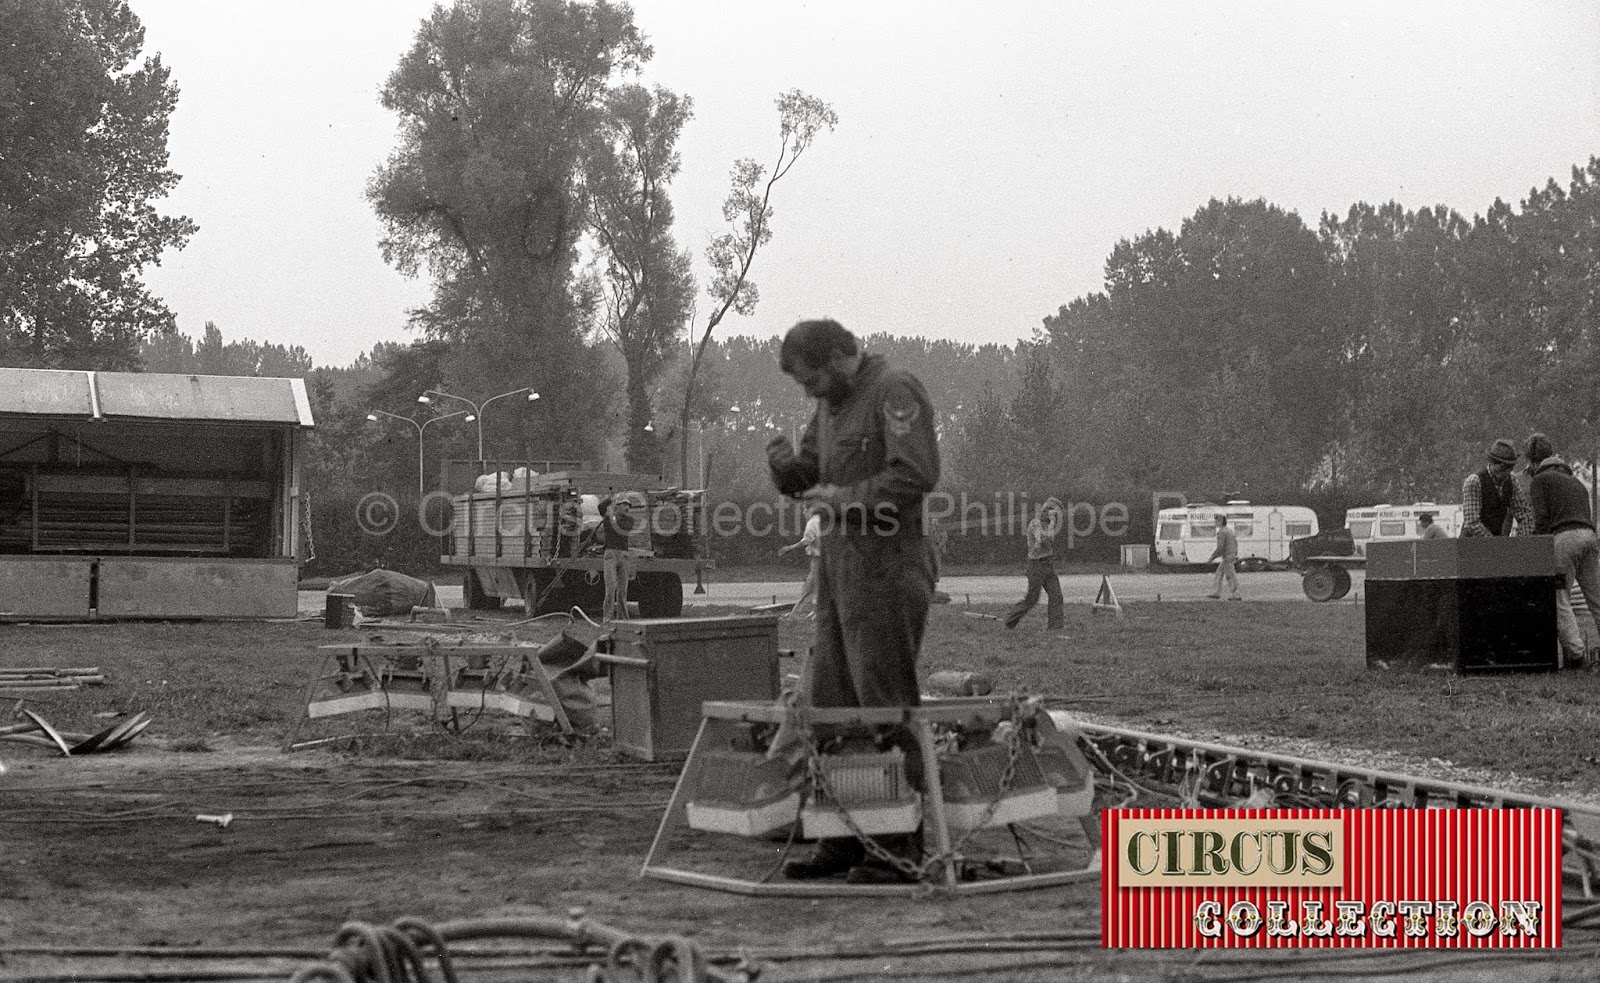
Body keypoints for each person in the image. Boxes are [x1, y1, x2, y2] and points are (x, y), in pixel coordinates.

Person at [765, 318, 940, 884]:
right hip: (842, 568)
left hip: (888, 567)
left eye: (812, 377)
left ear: (842, 356)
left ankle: (897, 847)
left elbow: (915, 474)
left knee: (882, 701)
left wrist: (841, 498)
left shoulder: (895, 391)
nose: (809, 391)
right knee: (833, 702)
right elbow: (812, 471)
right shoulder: (830, 405)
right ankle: (840, 836)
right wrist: (788, 471)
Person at [1524, 433, 1600, 670]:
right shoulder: (1575, 482)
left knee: (1559, 599)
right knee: (1596, 600)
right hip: (1589, 537)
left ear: (1534, 462)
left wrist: (1535, 545)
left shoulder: (1539, 481)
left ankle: (1576, 656)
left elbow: (1543, 520)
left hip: (1564, 540)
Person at [1004, 497, 1065, 629]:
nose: (1055, 516)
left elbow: (1050, 541)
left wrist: (1052, 524)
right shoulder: (1035, 523)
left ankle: (1055, 627)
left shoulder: (1049, 525)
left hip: (1047, 564)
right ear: (1046, 510)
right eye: (1053, 512)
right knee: (1032, 599)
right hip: (1035, 566)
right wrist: (1052, 523)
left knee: (1057, 596)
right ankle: (1010, 621)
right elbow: (1042, 539)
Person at [1461, 438, 1533, 537]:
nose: (1507, 472)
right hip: (1471, 543)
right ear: (1492, 462)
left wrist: (1521, 541)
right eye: (1503, 467)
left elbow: (1524, 514)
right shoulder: (1474, 482)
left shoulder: (1512, 480)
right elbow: (1472, 522)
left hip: (1497, 539)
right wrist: (1493, 543)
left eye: (1510, 468)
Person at [778, 505, 825, 619]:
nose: (804, 513)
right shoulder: (824, 520)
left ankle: (794, 615)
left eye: (805, 510)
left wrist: (789, 548)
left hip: (818, 561)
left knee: (808, 589)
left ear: (810, 510)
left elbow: (806, 541)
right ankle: (815, 613)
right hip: (828, 560)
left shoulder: (812, 523)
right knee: (822, 589)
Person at [599, 495, 637, 621]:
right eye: (624, 504)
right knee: (610, 589)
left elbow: (621, 529)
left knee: (623, 591)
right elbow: (601, 506)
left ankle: (623, 618)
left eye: (628, 505)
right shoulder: (607, 517)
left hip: (624, 555)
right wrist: (611, 498)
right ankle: (607, 618)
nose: (627, 507)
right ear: (617, 506)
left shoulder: (629, 520)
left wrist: (611, 516)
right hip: (610, 554)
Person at [1206, 513, 1240, 600]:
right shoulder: (1229, 530)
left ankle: (1235, 594)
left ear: (1220, 521)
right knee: (1219, 573)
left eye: (1216, 520)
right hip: (1231, 555)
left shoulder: (1221, 532)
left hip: (1227, 556)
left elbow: (1220, 548)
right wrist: (1235, 554)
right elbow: (1235, 543)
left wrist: (1212, 558)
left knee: (1230, 575)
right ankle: (1216, 592)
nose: (1215, 522)